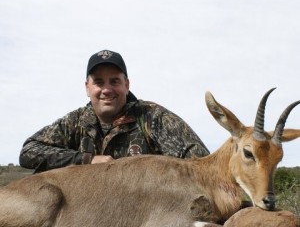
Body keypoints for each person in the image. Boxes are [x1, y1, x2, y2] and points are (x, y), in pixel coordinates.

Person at [19, 50, 210, 172]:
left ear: (126, 85)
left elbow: (203, 165)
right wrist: (88, 160)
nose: (107, 90)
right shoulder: (74, 122)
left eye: (115, 81)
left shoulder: (154, 118)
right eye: (99, 82)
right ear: (87, 88)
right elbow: (28, 152)